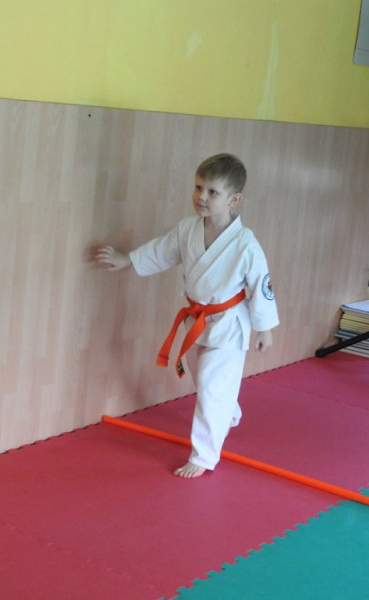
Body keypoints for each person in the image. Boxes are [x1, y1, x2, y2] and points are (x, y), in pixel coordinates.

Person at [95, 153, 280, 478]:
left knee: (210, 387)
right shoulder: (188, 229)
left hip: (230, 324)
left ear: (234, 199)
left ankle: (204, 456)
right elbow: (161, 251)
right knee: (203, 377)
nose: (201, 197)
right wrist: (128, 260)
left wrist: (265, 328)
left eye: (212, 192)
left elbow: (261, 284)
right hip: (198, 321)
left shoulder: (245, 244)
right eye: (198, 188)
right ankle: (228, 413)